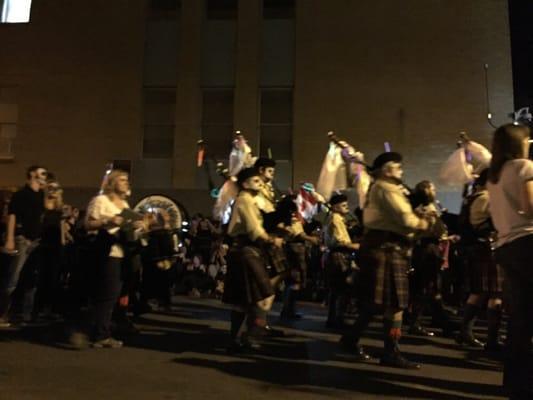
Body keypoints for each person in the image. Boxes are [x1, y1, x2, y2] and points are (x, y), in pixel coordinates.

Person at [339, 152, 435, 369]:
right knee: (395, 305)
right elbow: (406, 219)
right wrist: (425, 222)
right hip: (387, 249)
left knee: (376, 304)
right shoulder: (386, 188)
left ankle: (350, 339)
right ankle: (390, 352)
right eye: (398, 166)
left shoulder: (385, 188)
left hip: (386, 248)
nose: (401, 170)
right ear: (386, 169)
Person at [487, 123, 533, 399]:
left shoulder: (494, 175)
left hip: (507, 246)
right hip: (529, 242)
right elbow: (530, 207)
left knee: (520, 319)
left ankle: (516, 384)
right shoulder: (525, 167)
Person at [222, 167, 283, 353]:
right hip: (246, 249)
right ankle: (251, 335)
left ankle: (238, 339)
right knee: (261, 294)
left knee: (244, 300)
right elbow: (253, 228)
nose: (261, 183)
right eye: (256, 181)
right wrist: (271, 239)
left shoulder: (250, 200)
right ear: (245, 184)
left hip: (246, 250)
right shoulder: (244, 200)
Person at [85, 170, 145, 348]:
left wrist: (139, 226)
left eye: (127, 180)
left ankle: (102, 329)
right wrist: (109, 221)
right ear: (112, 182)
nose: (126, 182)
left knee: (113, 294)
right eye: (122, 179)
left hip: (122, 252)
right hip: (107, 251)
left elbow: (128, 229)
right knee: (107, 294)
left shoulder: (125, 203)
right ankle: (99, 334)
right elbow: (88, 224)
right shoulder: (101, 201)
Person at [0, 166, 47, 327]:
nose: (44, 176)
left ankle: (24, 314)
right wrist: (10, 238)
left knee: (31, 278)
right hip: (22, 238)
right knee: (12, 279)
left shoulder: (41, 195)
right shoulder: (21, 194)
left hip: (35, 241)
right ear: (32, 175)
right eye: (42, 173)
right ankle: (2, 314)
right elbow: (12, 216)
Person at [324, 193, 360, 328]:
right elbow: (341, 242)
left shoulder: (336, 218)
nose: (346, 206)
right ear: (334, 206)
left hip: (336, 256)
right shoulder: (336, 219)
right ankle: (337, 319)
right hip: (339, 256)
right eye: (343, 204)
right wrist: (358, 246)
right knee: (342, 288)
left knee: (336, 290)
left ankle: (333, 318)